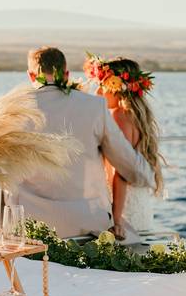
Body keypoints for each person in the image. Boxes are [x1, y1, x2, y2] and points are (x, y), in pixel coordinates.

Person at [11, 46, 156, 238]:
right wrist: (149, 177)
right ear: (66, 74)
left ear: (31, 76)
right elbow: (127, 163)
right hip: (87, 223)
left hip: (29, 224)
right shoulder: (94, 106)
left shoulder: (12, 109)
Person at [84, 55, 164, 240]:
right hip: (138, 203)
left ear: (116, 87)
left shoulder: (120, 115)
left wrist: (117, 220)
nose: (98, 92)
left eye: (102, 85)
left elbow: (122, 171)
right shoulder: (133, 115)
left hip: (124, 208)